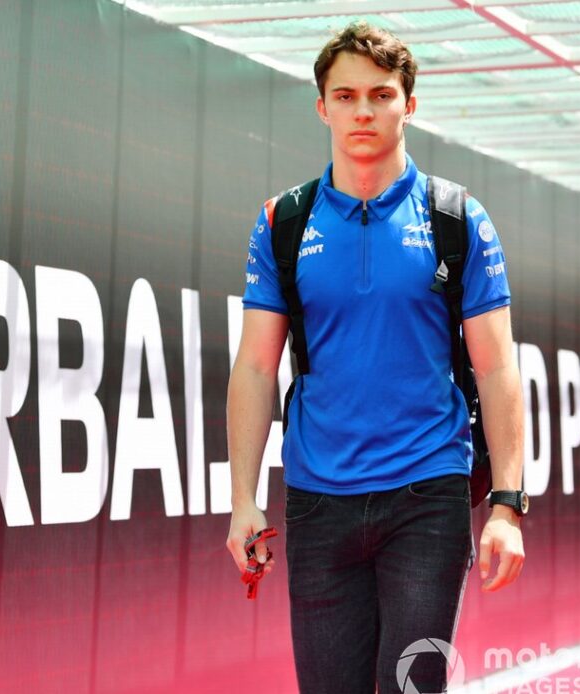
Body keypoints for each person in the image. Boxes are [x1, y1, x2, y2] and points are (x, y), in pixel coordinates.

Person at [225, 22, 527, 693]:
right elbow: (253, 367)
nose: (363, 110)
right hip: (316, 498)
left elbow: (498, 367)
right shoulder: (284, 222)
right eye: (346, 95)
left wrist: (506, 506)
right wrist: (243, 499)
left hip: (427, 494)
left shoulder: (458, 217)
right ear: (322, 106)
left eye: (381, 94)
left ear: (408, 104)